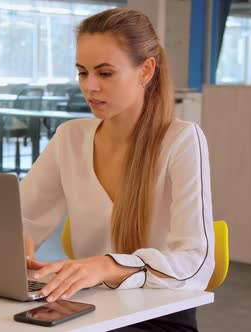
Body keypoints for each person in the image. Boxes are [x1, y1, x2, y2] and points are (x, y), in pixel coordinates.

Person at [20, 8, 214, 332]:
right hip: (88, 307)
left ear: (145, 71)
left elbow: (195, 262)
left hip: (159, 315)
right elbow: (22, 216)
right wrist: (18, 246)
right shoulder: (71, 137)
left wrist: (109, 266)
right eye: (82, 72)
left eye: (105, 73)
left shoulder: (181, 141)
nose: (90, 87)